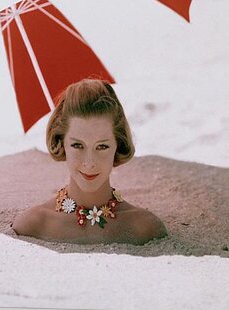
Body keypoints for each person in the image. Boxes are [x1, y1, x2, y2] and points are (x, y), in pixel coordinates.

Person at [12, 78, 167, 245]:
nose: (89, 162)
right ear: (60, 143)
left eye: (102, 147)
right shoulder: (32, 225)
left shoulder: (145, 228)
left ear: (118, 145)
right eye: (78, 145)